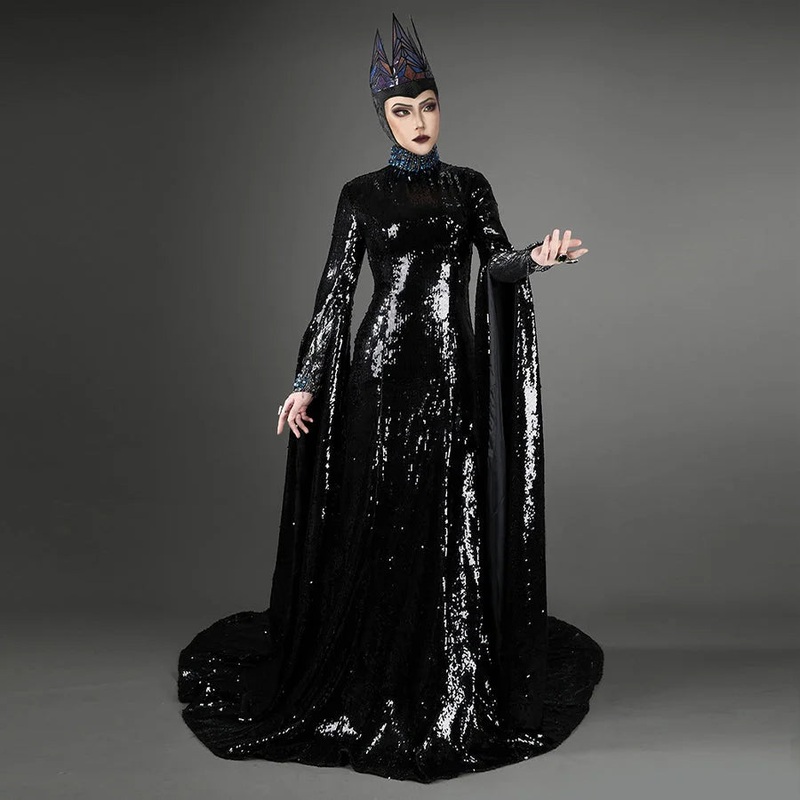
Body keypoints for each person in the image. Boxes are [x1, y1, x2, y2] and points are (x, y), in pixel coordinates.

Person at [177, 14, 604, 783]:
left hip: (452, 374)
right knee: (378, 514)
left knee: (448, 515)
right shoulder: (361, 195)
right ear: (384, 118)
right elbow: (336, 292)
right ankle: (368, 670)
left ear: (441, 108)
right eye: (402, 110)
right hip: (379, 372)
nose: (419, 120)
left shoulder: (469, 186)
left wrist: (537, 258)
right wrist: (306, 379)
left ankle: (446, 674)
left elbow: (496, 263)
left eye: (428, 105)